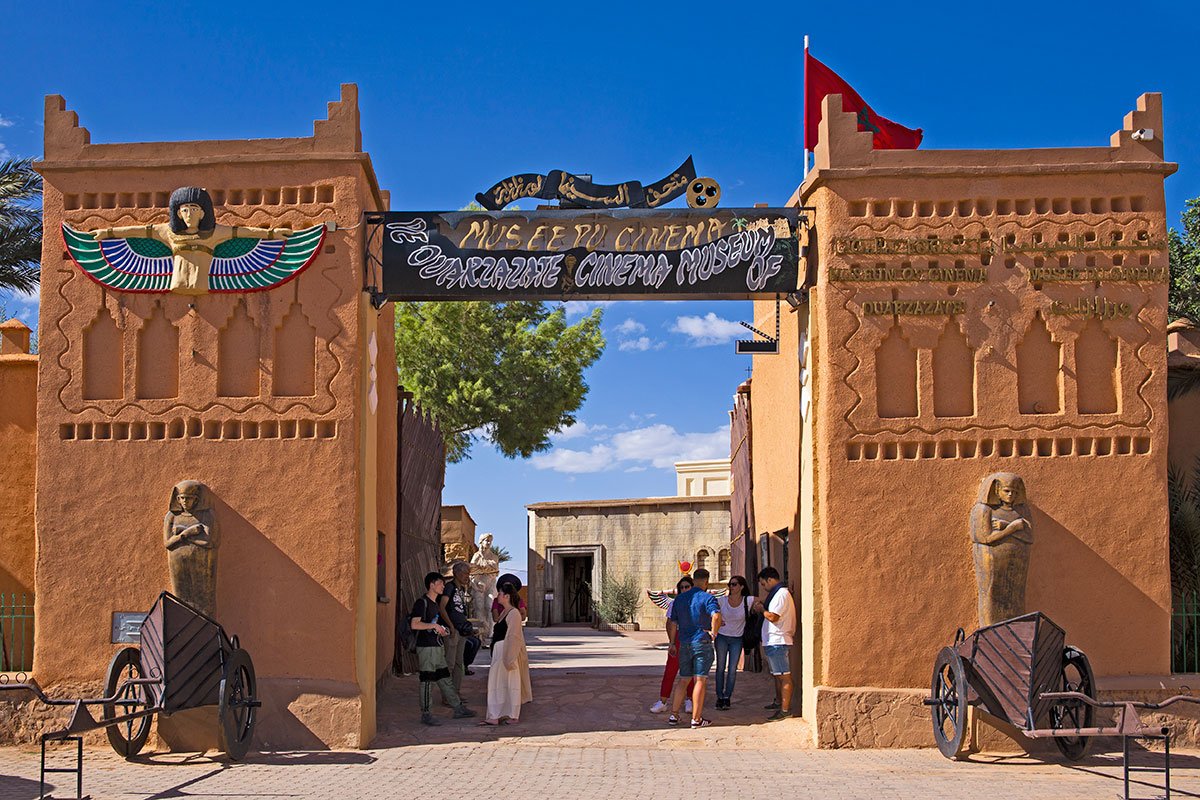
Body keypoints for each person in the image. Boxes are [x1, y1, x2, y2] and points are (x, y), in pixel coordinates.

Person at [411, 572, 476, 725]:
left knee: (444, 678)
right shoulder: (422, 603)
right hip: (426, 648)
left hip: (437, 646)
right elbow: (415, 624)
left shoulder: (434, 604)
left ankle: (458, 707)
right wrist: (434, 625)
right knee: (427, 680)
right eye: (440, 583)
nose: (443, 586)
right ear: (432, 585)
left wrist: (442, 629)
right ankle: (426, 714)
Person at [667, 568, 721, 729]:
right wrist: (714, 633)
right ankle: (696, 719)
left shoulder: (680, 599)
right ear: (706, 582)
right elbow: (716, 616)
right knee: (700, 680)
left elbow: (672, 623)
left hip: (684, 643)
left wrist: (671, 643)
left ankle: (674, 715)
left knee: (683, 679)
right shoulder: (708, 598)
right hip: (701, 642)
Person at [480, 583, 529, 725]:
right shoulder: (504, 612)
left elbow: (514, 636)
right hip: (499, 651)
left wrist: (510, 657)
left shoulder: (514, 613)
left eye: (500, 594)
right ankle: (496, 714)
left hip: (506, 651)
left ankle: (513, 715)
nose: (498, 596)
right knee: (497, 683)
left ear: (507, 596)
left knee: (510, 683)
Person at [753, 567, 796, 721]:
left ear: (770, 580)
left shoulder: (781, 594)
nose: (764, 587)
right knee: (778, 676)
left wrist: (761, 609)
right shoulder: (778, 594)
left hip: (778, 640)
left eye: (764, 584)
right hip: (773, 641)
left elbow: (773, 616)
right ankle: (780, 703)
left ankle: (785, 710)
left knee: (784, 676)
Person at [650, 576, 695, 714]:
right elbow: (670, 623)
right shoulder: (674, 604)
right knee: (670, 671)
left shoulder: (697, 601)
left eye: (687, 587)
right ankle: (663, 701)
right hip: (679, 639)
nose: (684, 589)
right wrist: (671, 642)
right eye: (682, 587)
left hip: (692, 638)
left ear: (692, 588)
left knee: (690, 671)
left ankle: (690, 700)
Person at [438, 561, 474, 696]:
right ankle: (447, 695)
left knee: (460, 663)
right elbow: (442, 607)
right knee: (450, 663)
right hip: (452, 630)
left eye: (468, 574)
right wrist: (451, 626)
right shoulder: (449, 588)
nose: (467, 576)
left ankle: (455, 693)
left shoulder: (462, 589)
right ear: (456, 573)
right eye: (465, 573)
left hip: (461, 630)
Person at [714, 575, 749, 710]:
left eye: (734, 584)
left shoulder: (747, 600)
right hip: (722, 637)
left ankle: (727, 696)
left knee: (732, 669)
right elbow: (710, 609)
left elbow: (763, 601)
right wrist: (716, 621)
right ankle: (719, 696)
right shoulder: (722, 601)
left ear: (741, 586)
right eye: (730, 584)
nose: (731, 587)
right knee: (720, 668)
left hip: (737, 638)